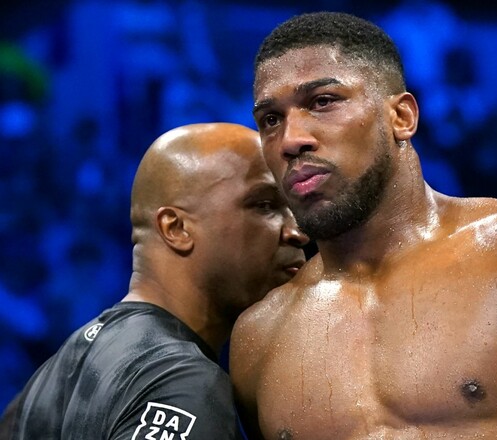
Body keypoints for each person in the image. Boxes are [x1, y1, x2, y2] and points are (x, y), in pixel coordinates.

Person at [229, 12, 497, 439]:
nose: (291, 140)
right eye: (271, 119)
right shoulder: (260, 338)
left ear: (401, 117)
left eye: (323, 102)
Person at [0, 123, 308, 439]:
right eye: (265, 205)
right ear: (176, 228)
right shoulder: (183, 383)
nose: (297, 232)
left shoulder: (54, 372)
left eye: (293, 208)